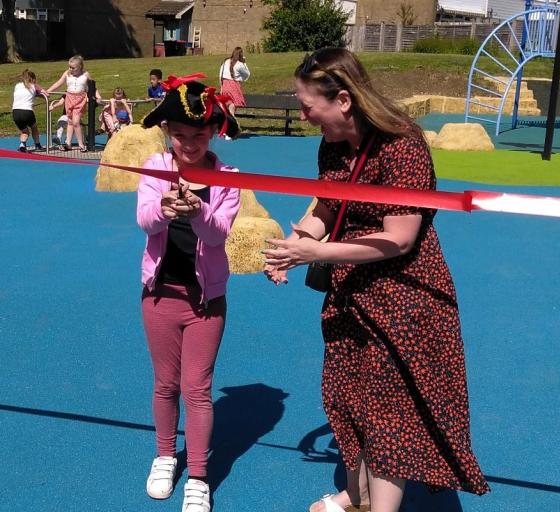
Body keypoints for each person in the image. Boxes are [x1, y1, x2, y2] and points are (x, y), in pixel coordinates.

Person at [263, 48, 489, 512]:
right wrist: (294, 244)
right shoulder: (331, 144)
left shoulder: (402, 144)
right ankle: (357, 492)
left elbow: (400, 238)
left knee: (389, 409)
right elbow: (329, 204)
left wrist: (315, 252)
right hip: (351, 293)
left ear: (343, 100)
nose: (304, 116)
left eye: (309, 105)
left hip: (404, 297)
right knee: (346, 391)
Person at [137, 75, 241, 512]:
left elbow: (218, 234)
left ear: (212, 132)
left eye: (198, 134)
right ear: (168, 134)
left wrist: (198, 210)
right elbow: (144, 220)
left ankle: (197, 474)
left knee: (197, 389)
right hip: (160, 295)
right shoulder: (155, 168)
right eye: (180, 135)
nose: (189, 143)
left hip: (205, 302)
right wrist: (163, 208)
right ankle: (165, 455)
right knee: (165, 384)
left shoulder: (228, 178)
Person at [44, 54, 100, 152]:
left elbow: (92, 87)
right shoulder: (67, 73)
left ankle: (81, 144)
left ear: (80, 67)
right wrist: (48, 90)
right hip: (69, 98)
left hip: (80, 99)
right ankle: (68, 143)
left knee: (76, 122)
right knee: (70, 121)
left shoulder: (85, 74)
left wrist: (98, 96)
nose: (70, 69)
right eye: (69, 66)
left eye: (73, 67)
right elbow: (58, 83)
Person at [12, 69, 45, 152]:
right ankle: (37, 145)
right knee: (34, 127)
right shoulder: (34, 86)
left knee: (25, 131)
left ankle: (22, 144)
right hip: (27, 111)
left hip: (15, 112)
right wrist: (40, 94)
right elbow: (46, 94)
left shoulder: (17, 85)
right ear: (33, 79)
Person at [218, 46, 250, 122]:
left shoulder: (225, 61)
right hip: (234, 86)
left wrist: (221, 87)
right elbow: (247, 74)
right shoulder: (239, 65)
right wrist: (244, 63)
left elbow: (220, 75)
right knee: (232, 107)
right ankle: (231, 125)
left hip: (225, 85)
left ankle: (229, 125)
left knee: (229, 105)